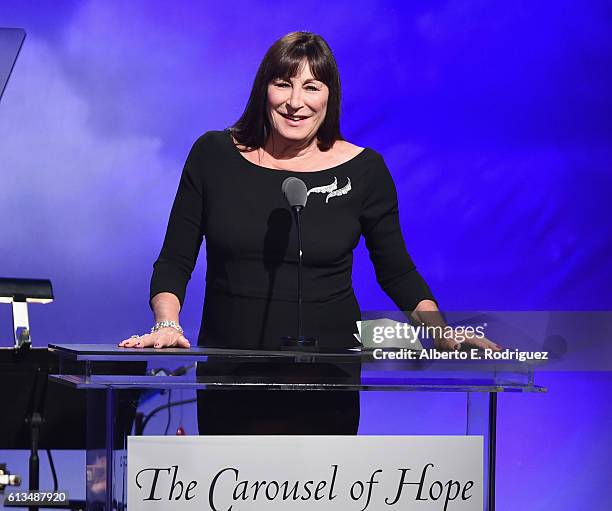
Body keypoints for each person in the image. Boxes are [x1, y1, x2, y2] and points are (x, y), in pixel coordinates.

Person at [119, 31, 500, 434]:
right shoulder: (213, 155)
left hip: (327, 381)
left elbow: (398, 272)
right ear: (263, 89)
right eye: (283, 84)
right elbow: (176, 259)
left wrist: (440, 334)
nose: (295, 102)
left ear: (329, 96)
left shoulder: (365, 171)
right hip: (232, 379)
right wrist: (167, 323)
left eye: (311, 87)